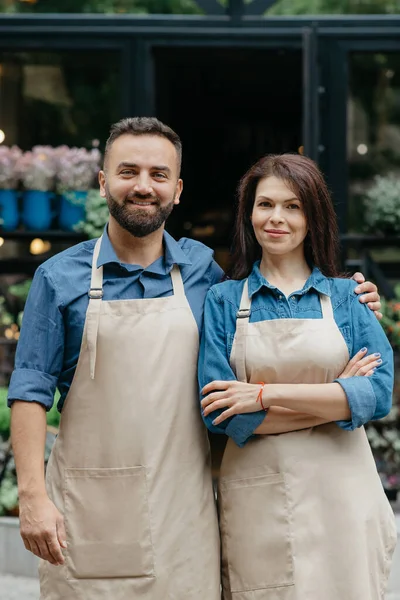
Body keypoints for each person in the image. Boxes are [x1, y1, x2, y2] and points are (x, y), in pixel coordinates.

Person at [8, 119, 380, 599]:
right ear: (103, 182)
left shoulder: (205, 273)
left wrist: (350, 295)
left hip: (189, 519)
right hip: (90, 515)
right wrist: (33, 498)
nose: (143, 186)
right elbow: (30, 391)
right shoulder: (59, 278)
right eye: (128, 171)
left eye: (159, 174)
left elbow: (275, 306)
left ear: (177, 190)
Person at [199, 153, 397, 600]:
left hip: (342, 497)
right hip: (259, 498)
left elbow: (378, 394)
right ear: (248, 213)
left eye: (293, 206)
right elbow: (222, 415)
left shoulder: (348, 297)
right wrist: (335, 398)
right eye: (265, 204)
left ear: (313, 217)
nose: (277, 218)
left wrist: (263, 396)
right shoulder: (224, 301)